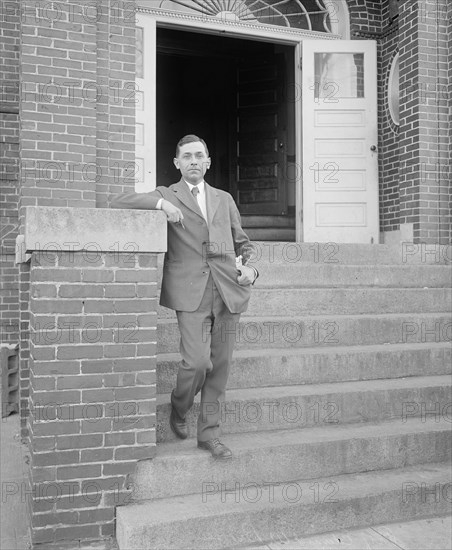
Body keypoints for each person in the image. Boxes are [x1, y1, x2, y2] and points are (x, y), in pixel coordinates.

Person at [110, 135, 258, 460]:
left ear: (208, 162)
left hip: (228, 291)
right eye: (187, 156)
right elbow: (119, 200)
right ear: (177, 163)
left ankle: (209, 435)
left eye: (199, 155)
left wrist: (251, 270)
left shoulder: (224, 199)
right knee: (197, 361)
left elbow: (244, 244)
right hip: (190, 293)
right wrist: (162, 205)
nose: (193, 161)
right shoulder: (168, 194)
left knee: (219, 367)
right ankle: (179, 406)